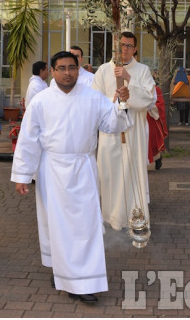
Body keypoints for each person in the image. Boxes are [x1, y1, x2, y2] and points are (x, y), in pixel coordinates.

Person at [11, 51, 133, 304]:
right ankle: (63, 272)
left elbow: (114, 125)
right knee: (57, 226)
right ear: (52, 71)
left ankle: (83, 281)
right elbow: (28, 140)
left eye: (72, 68)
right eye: (61, 68)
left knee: (85, 227)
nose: (67, 73)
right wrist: (23, 174)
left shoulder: (93, 97)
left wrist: (121, 104)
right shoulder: (41, 101)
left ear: (79, 70)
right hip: (52, 171)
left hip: (83, 169)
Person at [92, 31, 155, 230]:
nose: (124, 49)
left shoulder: (142, 70)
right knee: (109, 173)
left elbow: (150, 99)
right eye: (122, 45)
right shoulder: (103, 70)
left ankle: (133, 217)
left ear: (135, 49)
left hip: (133, 133)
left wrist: (129, 83)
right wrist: (113, 101)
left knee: (130, 173)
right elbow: (94, 101)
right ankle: (110, 217)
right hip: (110, 133)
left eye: (129, 46)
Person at [147, 80, 168, 170]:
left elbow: (160, 104)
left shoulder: (156, 89)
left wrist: (148, 106)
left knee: (151, 141)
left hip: (151, 118)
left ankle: (157, 158)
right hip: (139, 118)